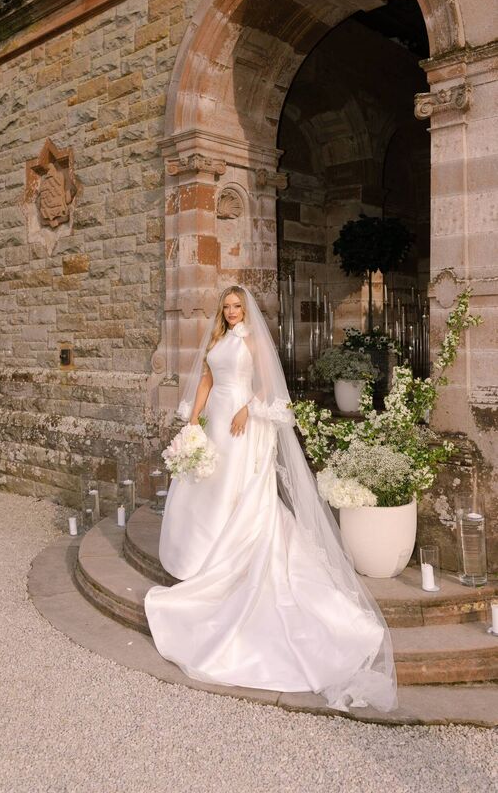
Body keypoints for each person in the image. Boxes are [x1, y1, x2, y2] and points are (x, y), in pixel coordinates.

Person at [145, 286, 397, 712]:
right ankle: (202, 559)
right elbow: (206, 379)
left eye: (236, 306)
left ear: (246, 309)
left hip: (243, 420)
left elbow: (267, 384)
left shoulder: (253, 341)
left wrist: (247, 408)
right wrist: (193, 420)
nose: (231, 311)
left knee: (238, 488)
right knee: (208, 486)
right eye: (226, 307)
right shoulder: (217, 339)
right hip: (216, 419)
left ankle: (233, 560)